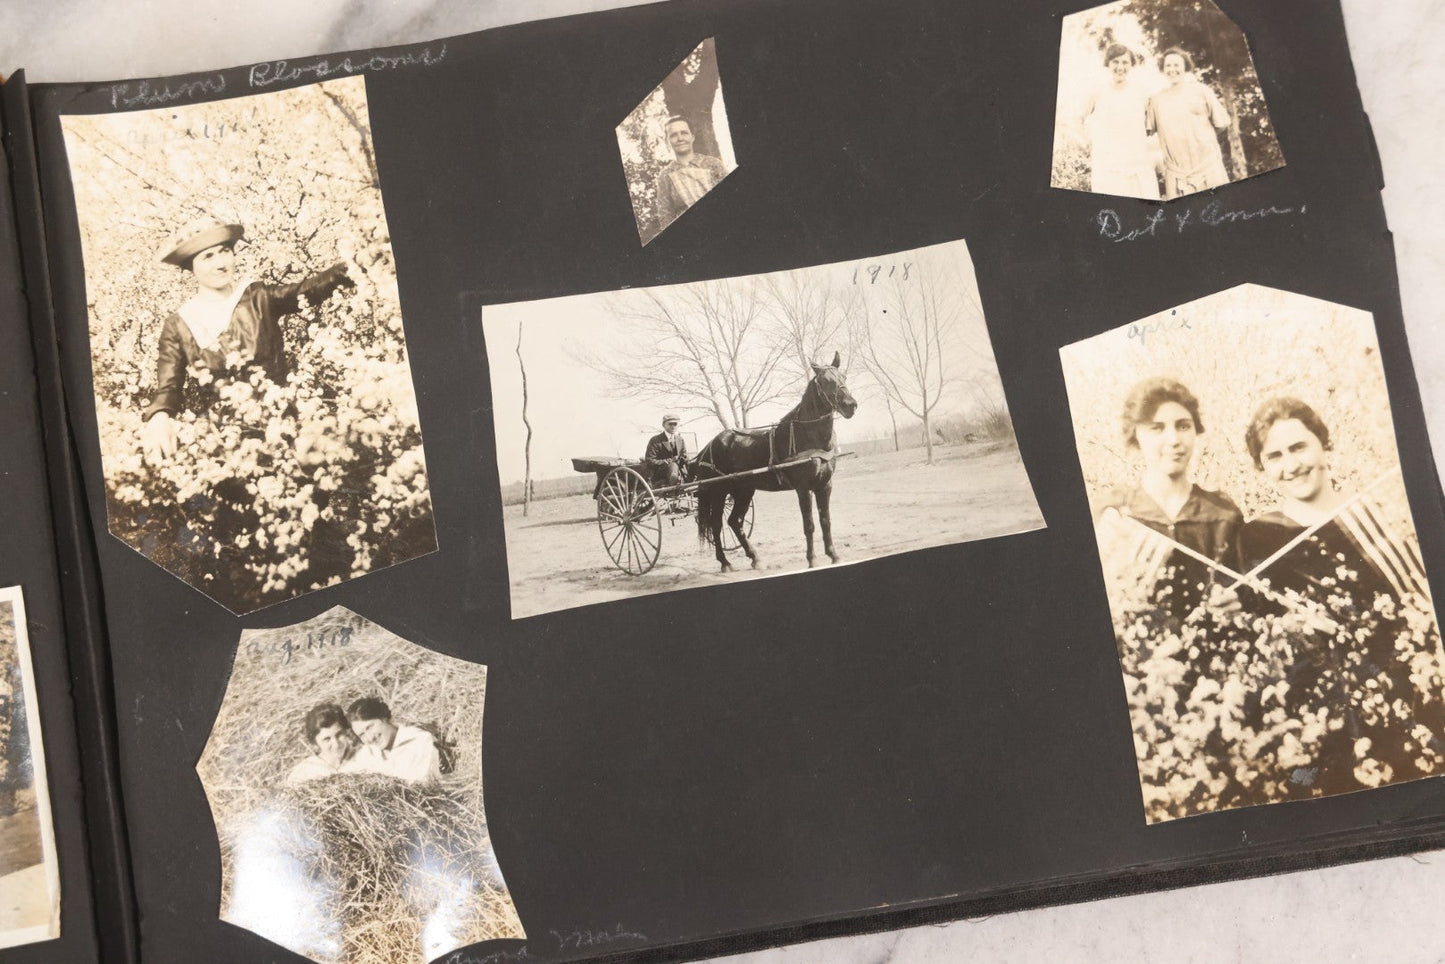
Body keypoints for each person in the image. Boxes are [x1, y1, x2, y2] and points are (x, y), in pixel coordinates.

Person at [1239, 397, 1443, 795]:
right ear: (1262, 469)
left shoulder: (1373, 512)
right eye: (1275, 456)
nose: (1291, 465)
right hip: (1332, 715)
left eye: (1299, 447)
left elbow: (1421, 598)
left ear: (1324, 445)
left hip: (1415, 688)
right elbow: (1268, 639)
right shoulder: (1259, 537)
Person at [140, 216, 354, 464]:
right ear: (191, 267)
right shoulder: (180, 324)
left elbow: (307, 290)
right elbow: (168, 386)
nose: (220, 263)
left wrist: (351, 265)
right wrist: (160, 417)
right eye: (207, 257)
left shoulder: (257, 297)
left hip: (285, 426)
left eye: (225, 252)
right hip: (226, 444)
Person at [1094, 377, 1244, 617]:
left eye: (1183, 426)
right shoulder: (1114, 512)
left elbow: (1245, 595)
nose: (1174, 440)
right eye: (1157, 428)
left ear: (1196, 432)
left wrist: (1236, 602)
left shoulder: (1222, 513)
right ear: (1136, 435)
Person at [1146, 47, 1232, 199]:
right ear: (1163, 69)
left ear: (1185, 67)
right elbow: (1145, 131)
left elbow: (1221, 123)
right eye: (1168, 65)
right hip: (1177, 175)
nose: (1172, 69)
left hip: (1209, 168)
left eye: (1176, 65)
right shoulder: (1156, 100)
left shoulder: (1202, 91)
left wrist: (1200, 138)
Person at [1078, 43, 1159, 199]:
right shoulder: (1098, 91)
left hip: (1137, 164)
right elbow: (1077, 118)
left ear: (1131, 65)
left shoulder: (1142, 92)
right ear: (1108, 63)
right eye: (1115, 62)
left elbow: (1152, 127)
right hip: (1107, 165)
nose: (1120, 67)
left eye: (1125, 62)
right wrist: (1085, 142)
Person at [346, 697, 442, 786]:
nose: (370, 738)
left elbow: (419, 786)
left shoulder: (418, 740)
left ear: (384, 718)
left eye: (370, 727)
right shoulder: (368, 752)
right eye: (361, 734)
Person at [653, 116, 729, 229]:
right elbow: (666, 217)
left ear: (692, 137)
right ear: (667, 141)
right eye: (673, 135)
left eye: (684, 133)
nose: (680, 138)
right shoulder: (665, 176)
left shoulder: (713, 164)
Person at [285, 703, 377, 784]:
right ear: (315, 743)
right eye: (327, 739)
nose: (336, 744)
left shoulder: (365, 756)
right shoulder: (305, 773)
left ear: (346, 732)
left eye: (339, 734)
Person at [644, 414, 689, 487]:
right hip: (659, 473)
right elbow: (649, 460)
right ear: (664, 425)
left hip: (679, 472)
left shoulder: (680, 440)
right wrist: (666, 462)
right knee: (673, 465)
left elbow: (685, 456)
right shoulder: (655, 440)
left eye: (675, 424)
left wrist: (683, 459)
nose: (673, 426)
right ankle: (673, 487)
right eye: (670, 424)